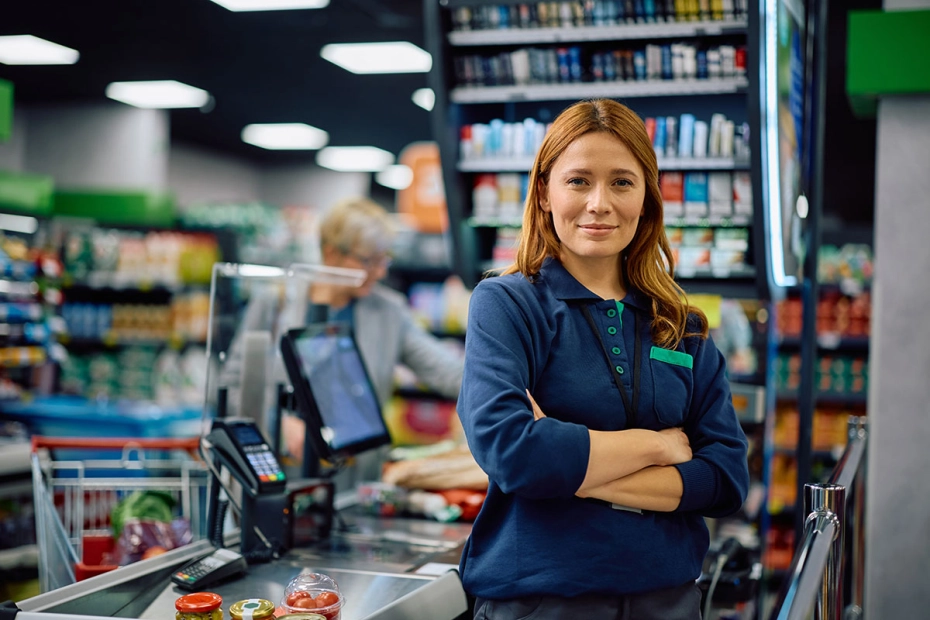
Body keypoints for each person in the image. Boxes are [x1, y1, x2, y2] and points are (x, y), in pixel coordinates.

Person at [456, 99, 750, 619]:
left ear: (646, 197)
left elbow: (725, 478)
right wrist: (656, 445)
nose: (599, 203)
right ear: (545, 191)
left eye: (621, 182)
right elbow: (513, 453)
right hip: (541, 602)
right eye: (578, 181)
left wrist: (568, 465)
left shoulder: (682, 324)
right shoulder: (507, 304)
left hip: (670, 601)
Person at [226, 197, 464, 476]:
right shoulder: (275, 304)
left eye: (383, 259)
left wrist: (508, 383)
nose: (379, 271)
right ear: (331, 254)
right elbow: (235, 383)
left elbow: (446, 371)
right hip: (283, 473)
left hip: (355, 477)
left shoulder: (388, 311)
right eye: (368, 261)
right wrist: (277, 421)